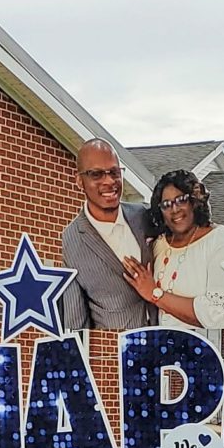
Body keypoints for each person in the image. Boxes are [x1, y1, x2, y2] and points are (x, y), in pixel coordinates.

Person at [122, 170, 224, 347]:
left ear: (195, 201)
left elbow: (222, 317)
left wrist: (155, 294)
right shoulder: (159, 244)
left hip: (205, 352)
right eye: (166, 204)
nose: (175, 209)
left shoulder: (222, 239)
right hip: (160, 352)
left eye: (181, 200)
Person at [57, 138, 156, 332]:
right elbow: (76, 324)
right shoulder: (71, 241)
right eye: (96, 174)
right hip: (115, 355)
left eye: (114, 172)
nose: (109, 181)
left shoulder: (145, 216)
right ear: (80, 181)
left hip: (169, 348)